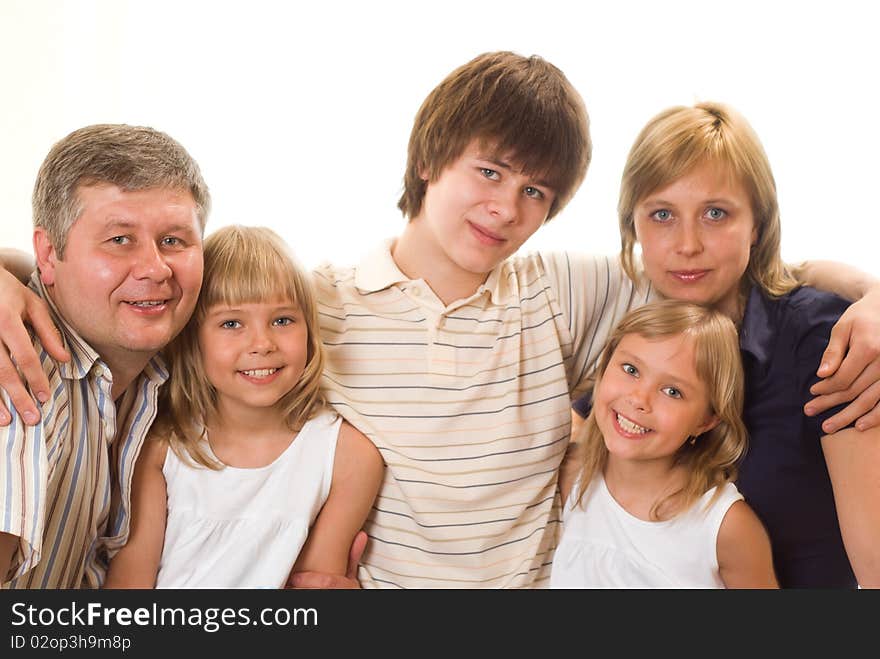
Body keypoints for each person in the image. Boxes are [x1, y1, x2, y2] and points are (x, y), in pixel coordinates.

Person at [2, 53, 880, 588]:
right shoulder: (322, 304)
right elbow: (168, 301)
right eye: (490, 172)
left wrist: (868, 293)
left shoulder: (564, 291)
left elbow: (713, 276)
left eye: (536, 192)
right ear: (429, 162)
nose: (506, 207)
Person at [573, 102, 880, 588]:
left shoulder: (822, 342)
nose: (687, 243)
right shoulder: (648, 343)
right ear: (634, 226)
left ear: (756, 225)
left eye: (715, 214)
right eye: (662, 214)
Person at [103, 225, 383, 588]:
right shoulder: (160, 449)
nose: (263, 343)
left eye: (282, 320)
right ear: (192, 340)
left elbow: (313, 587)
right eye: (232, 323)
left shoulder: (348, 456)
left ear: (310, 330)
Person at [0, 124, 208, 588]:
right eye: (119, 240)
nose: (155, 268)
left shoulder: (180, 361)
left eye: (174, 240)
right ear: (49, 255)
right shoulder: (16, 381)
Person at [552, 301, 777, 588]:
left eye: (673, 391)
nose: (639, 400)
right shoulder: (573, 477)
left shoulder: (726, 527)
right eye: (631, 369)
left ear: (707, 420)